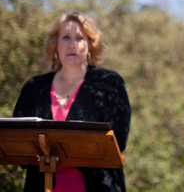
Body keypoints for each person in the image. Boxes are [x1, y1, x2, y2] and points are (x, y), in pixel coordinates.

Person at [13, 11, 131, 192]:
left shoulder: (110, 83)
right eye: (66, 37)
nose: (72, 45)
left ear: (90, 45)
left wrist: (59, 149)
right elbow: (17, 142)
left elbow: (118, 140)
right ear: (55, 45)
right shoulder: (34, 87)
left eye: (79, 38)